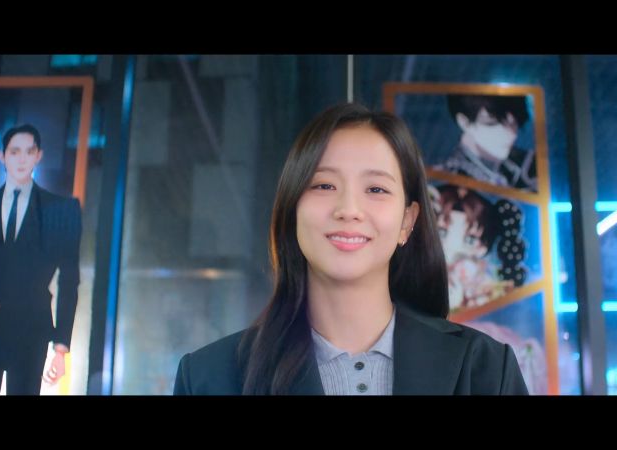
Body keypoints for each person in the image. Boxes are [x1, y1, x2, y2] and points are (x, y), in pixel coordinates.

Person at [174, 103, 528, 395]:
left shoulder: (485, 369)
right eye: (324, 185)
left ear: (407, 221)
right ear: (293, 209)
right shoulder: (210, 376)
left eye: (376, 189)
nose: (348, 209)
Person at [0, 124, 82, 395]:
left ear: (38, 156)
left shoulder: (61, 211)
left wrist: (61, 346)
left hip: (31, 329)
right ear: (2, 156)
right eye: (14, 152)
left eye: (28, 151)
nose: (22, 159)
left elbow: (69, 279)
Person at [431, 184, 527, 311]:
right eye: (441, 232)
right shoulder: (420, 268)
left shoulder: (482, 285)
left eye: (470, 240)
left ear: (483, 247)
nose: (452, 245)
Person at [436, 94, 537, 191]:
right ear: (464, 123)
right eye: (494, 123)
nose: (512, 134)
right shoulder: (447, 178)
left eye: (514, 122)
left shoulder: (527, 161)